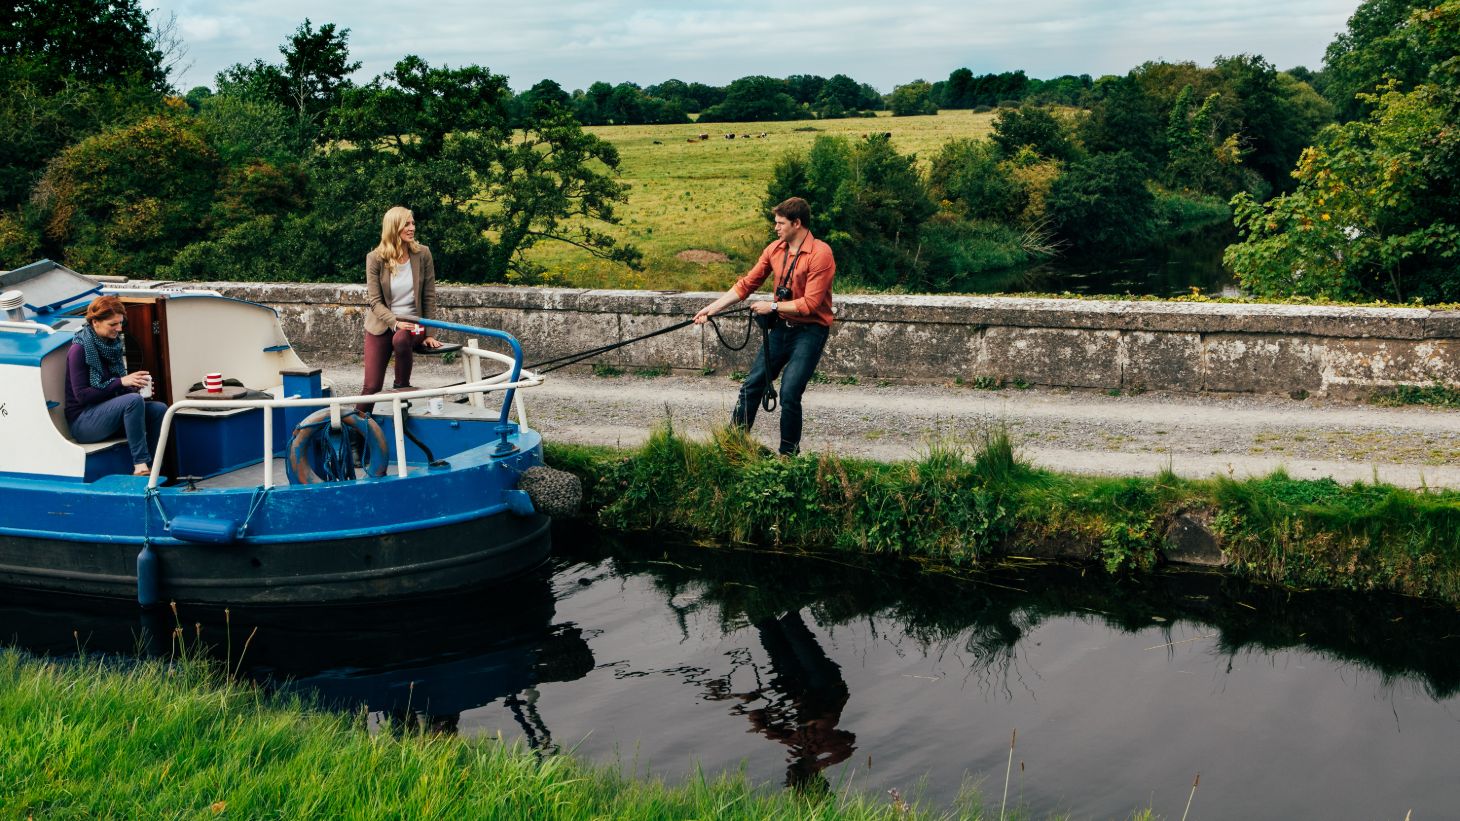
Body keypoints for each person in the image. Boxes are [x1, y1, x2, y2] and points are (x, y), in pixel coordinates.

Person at [694, 197, 835, 455]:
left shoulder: (820, 254)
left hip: (811, 331)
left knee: (790, 392)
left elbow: (811, 304)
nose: (776, 228)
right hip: (783, 327)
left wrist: (772, 307)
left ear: (797, 223)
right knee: (753, 384)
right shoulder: (774, 250)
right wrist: (712, 309)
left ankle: (788, 456)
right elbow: (746, 284)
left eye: (780, 223)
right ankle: (732, 447)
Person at [65, 295, 167, 476]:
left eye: (120, 323)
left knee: (159, 409)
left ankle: (154, 466)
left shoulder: (111, 346)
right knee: (132, 401)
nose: (119, 329)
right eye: (113, 324)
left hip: (105, 414)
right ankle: (140, 466)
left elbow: (113, 389)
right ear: (95, 322)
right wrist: (121, 382)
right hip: (83, 421)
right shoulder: (79, 350)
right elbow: (82, 395)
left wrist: (134, 387)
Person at [360, 206, 443, 413]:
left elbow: (429, 296)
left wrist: (430, 333)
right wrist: (394, 322)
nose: (412, 227)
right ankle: (354, 431)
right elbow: (375, 301)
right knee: (371, 386)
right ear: (393, 227)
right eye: (406, 224)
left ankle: (401, 387)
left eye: (413, 223)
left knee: (401, 338)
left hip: (415, 325)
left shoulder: (422, 254)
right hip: (382, 325)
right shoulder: (375, 258)